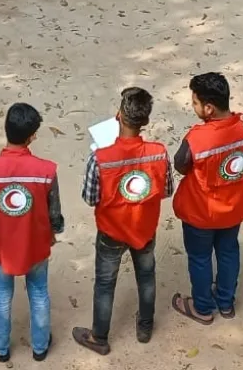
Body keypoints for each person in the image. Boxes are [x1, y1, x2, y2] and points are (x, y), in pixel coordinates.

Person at [72, 87, 173, 356]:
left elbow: (90, 197)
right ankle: (145, 327)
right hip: (145, 228)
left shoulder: (100, 157)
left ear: (118, 115)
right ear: (145, 121)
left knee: (105, 283)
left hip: (111, 231)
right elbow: (166, 190)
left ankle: (99, 336)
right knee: (147, 277)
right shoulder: (159, 153)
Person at [0, 103, 63, 363]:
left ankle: (0, 346)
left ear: (6, 129)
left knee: (1, 295)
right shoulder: (46, 171)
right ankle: (40, 346)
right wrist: (54, 231)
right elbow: (54, 210)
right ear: (32, 135)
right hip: (35, 244)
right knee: (39, 292)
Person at [169, 73, 243, 325]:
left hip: (201, 214)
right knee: (229, 253)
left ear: (208, 107)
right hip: (234, 210)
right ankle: (226, 303)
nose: (192, 106)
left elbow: (180, 165)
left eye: (194, 102)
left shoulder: (197, 138)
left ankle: (203, 308)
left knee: (200, 258)